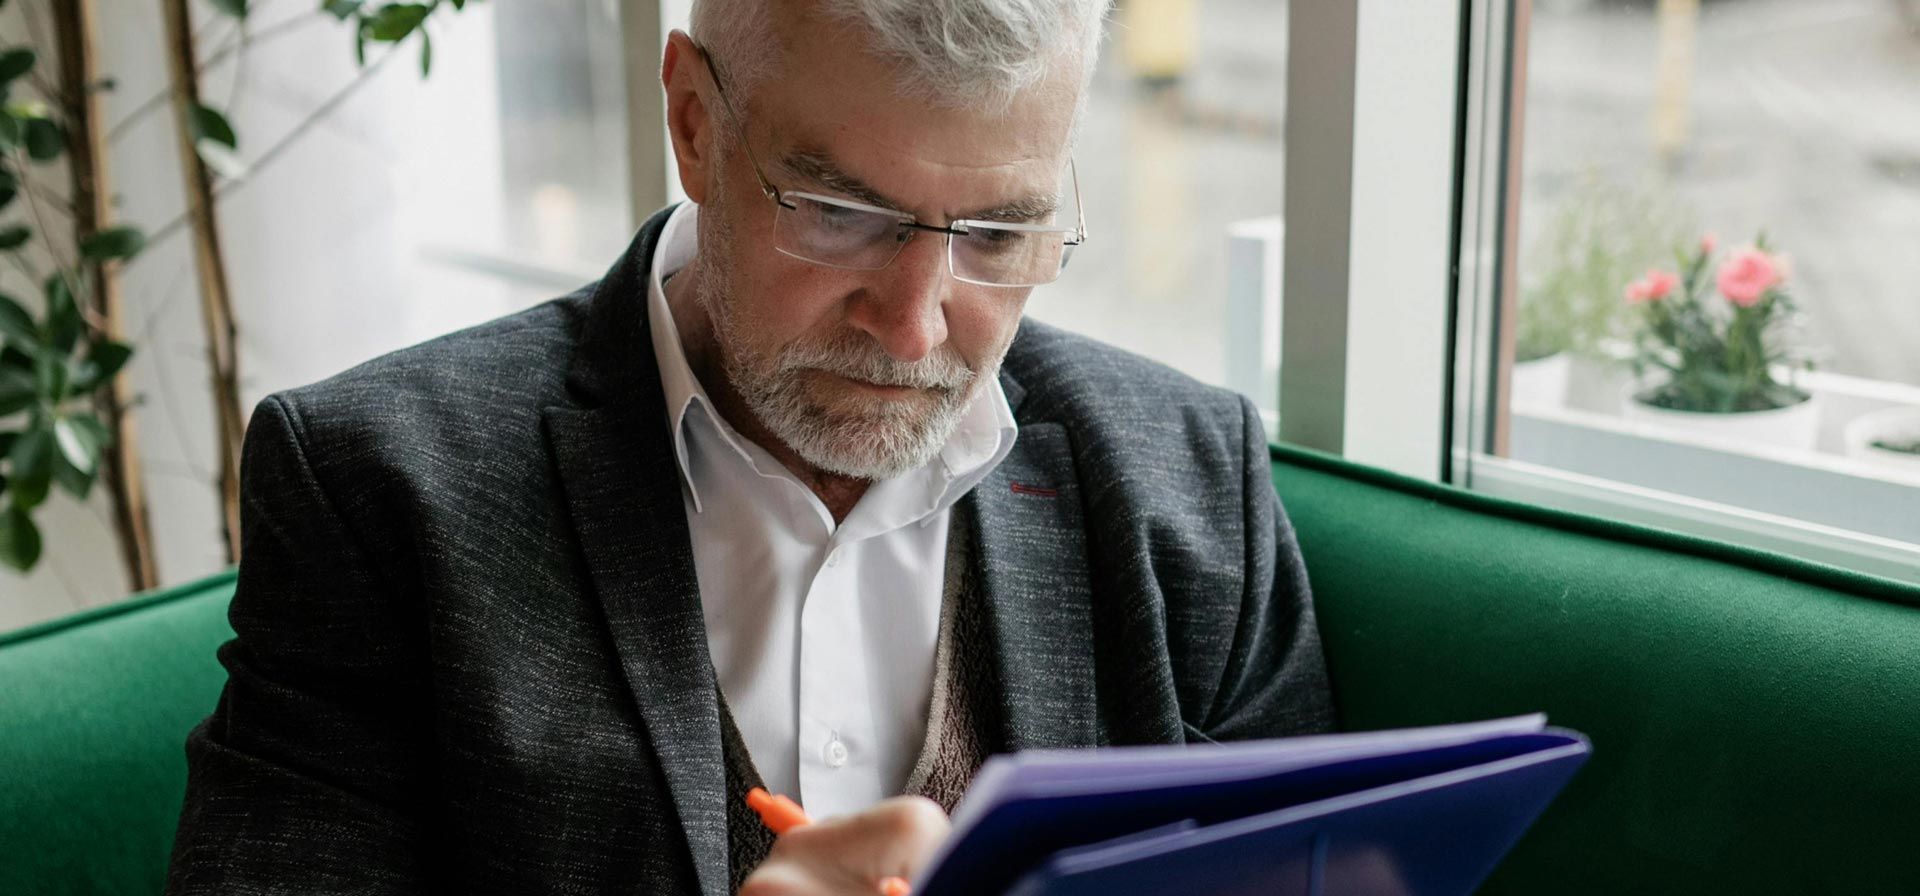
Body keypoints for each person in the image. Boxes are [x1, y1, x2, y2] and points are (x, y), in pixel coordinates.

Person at [163, 1, 1333, 894]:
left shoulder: (1191, 480)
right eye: (839, 213)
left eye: (997, 233)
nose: (918, 327)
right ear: (691, 122)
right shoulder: (376, 488)